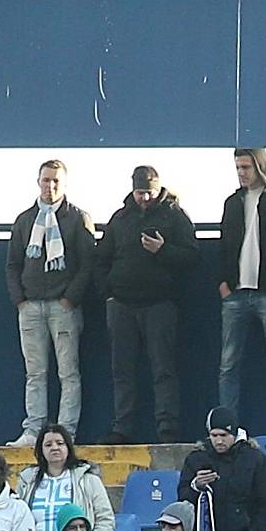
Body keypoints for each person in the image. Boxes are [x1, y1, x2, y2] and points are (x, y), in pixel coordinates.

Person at [98, 163, 196, 439]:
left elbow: (192, 256)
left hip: (160, 304)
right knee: (122, 370)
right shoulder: (119, 219)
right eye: (141, 193)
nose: (145, 198)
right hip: (121, 305)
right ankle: (122, 427)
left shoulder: (175, 216)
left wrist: (163, 251)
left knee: (163, 368)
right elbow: (101, 259)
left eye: (150, 193)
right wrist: (108, 293)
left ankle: (167, 427)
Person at [6, 158, 95, 446]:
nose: (50, 186)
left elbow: (87, 264)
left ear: (64, 184)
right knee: (35, 372)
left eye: (56, 181)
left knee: (68, 371)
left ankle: (66, 432)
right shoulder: (24, 220)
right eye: (46, 180)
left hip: (63, 306)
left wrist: (71, 298)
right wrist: (20, 300)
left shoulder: (77, 218)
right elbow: (12, 264)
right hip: (30, 307)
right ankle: (33, 431)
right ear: (38, 182)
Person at [215, 148, 266, 430]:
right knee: (228, 365)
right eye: (238, 167)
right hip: (235, 294)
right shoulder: (231, 202)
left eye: (246, 168)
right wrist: (224, 285)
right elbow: (224, 243)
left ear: (259, 167)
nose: (241, 173)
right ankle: (227, 426)